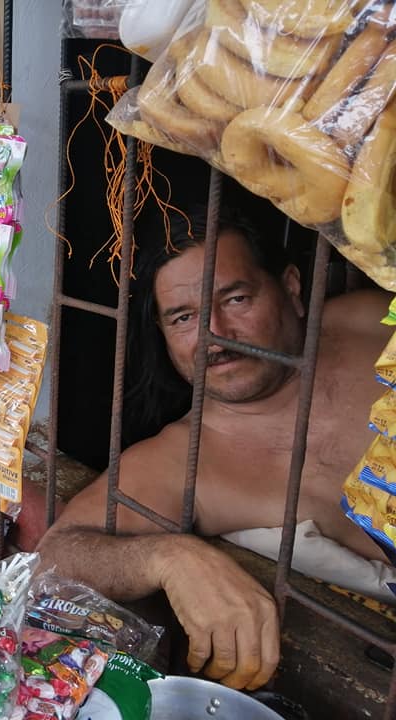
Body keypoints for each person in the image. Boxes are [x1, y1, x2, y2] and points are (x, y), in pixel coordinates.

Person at [37, 206, 394, 692]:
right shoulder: (183, 459)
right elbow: (55, 556)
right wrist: (169, 560)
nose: (216, 334)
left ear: (292, 289)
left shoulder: (372, 322)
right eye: (183, 318)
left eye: (237, 299)